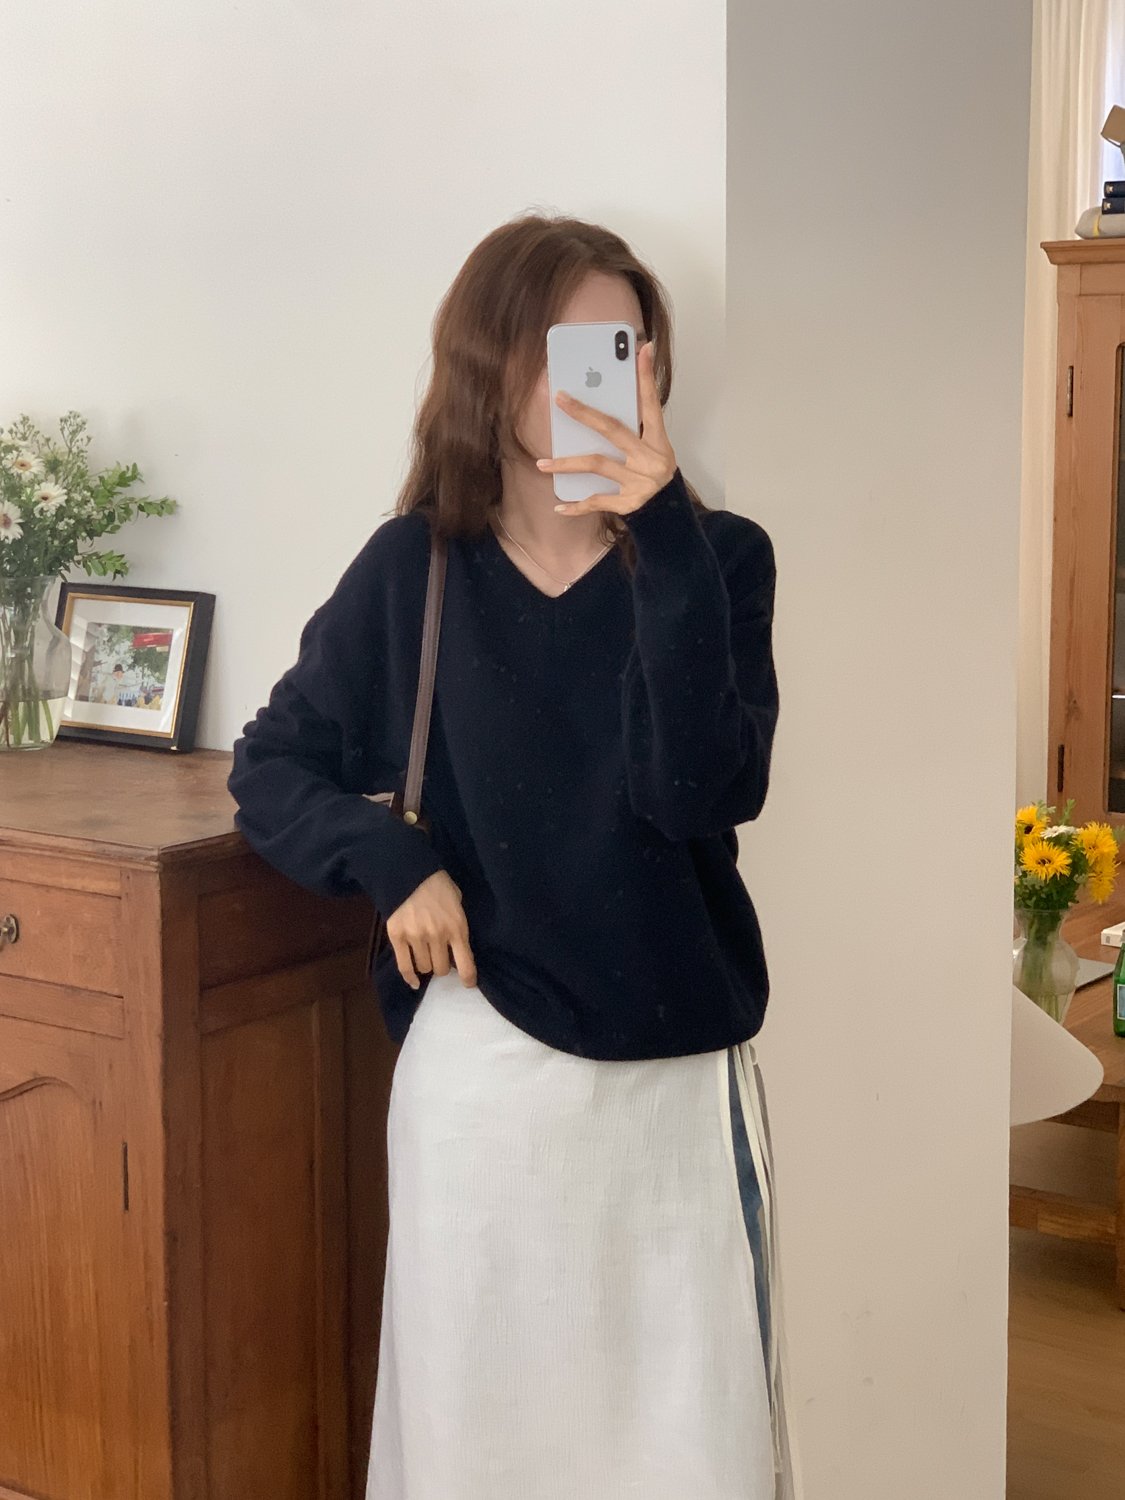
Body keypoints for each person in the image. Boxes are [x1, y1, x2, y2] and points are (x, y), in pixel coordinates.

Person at [226, 211, 803, 1500]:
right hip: (484, 1083)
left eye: (627, 349)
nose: (609, 380)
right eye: (570, 350)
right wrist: (390, 861)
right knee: (477, 1443)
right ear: (492, 367)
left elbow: (704, 792)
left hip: (675, 1086)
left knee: (690, 1451)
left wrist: (661, 545)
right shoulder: (414, 572)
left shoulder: (719, 559)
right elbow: (270, 766)